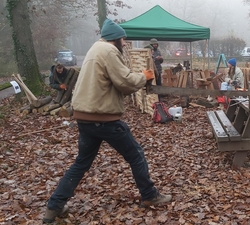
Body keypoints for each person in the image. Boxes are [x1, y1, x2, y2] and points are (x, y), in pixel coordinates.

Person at [43, 18, 172, 223]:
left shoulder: (95, 48)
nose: (124, 43)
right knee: (136, 155)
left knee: (81, 163)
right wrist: (144, 76)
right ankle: (150, 196)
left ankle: (54, 206)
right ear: (117, 38)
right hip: (103, 118)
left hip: (85, 117)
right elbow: (125, 82)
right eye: (123, 39)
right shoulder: (109, 51)